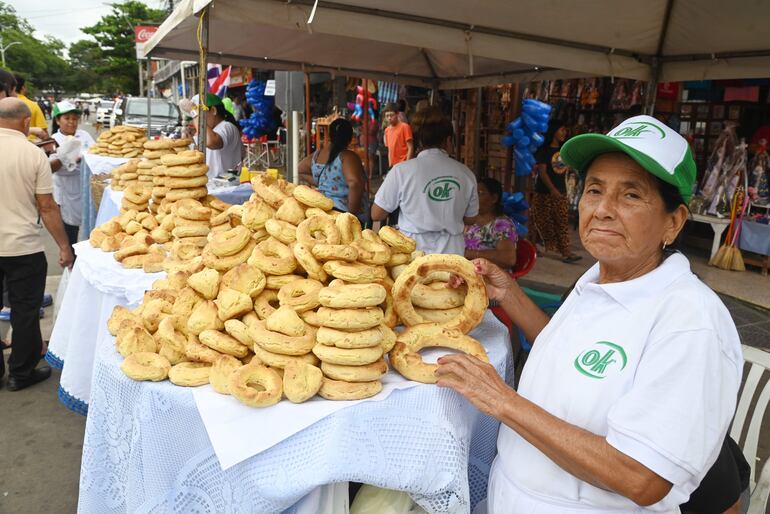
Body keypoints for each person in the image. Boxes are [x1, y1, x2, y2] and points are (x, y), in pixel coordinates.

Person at [436, 115, 743, 513]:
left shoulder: (690, 322)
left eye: (631, 195)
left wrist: (501, 401)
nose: (603, 210)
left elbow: (642, 476)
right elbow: (571, 353)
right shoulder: (598, 278)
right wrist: (508, 293)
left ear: (674, 222)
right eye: (595, 190)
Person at [0, 98, 74, 391]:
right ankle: (21, 372)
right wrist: (64, 247)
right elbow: (47, 206)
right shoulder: (33, 155)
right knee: (25, 311)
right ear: (26, 122)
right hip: (23, 248)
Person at [372, 106, 478, 255]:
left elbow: (376, 214)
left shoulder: (401, 171)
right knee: (451, 280)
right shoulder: (466, 174)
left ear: (418, 141)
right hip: (452, 253)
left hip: (413, 252)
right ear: (448, 140)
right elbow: (471, 218)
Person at [298, 118, 370, 223]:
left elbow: (300, 170)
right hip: (343, 215)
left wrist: (324, 184)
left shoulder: (317, 155)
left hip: (323, 211)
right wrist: (352, 213)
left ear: (329, 135)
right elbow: (355, 183)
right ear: (350, 138)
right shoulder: (348, 156)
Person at [531, 122, 581, 263]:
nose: (564, 133)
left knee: (561, 221)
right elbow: (542, 172)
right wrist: (552, 189)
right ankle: (534, 246)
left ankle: (566, 252)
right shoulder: (544, 150)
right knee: (541, 221)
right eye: (562, 129)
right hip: (544, 191)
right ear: (554, 131)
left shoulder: (564, 149)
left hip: (561, 191)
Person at [49, 101, 96, 247]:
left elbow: (95, 153)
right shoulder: (54, 140)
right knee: (70, 231)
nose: (71, 122)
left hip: (85, 186)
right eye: (67, 118)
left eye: (74, 119)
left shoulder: (85, 135)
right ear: (57, 120)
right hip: (66, 189)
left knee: (90, 226)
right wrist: (63, 156)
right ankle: (71, 263)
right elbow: (50, 168)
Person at [464, 177, 518, 269]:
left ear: (494, 198)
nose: (473, 198)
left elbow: (508, 259)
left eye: (480, 193)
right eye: (472, 194)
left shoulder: (502, 225)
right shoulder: (469, 220)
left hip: (489, 276)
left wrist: (468, 253)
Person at [201, 93, 242, 179]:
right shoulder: (211, 130)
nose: (199, 119)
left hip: (226, 188)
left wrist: (195, 114)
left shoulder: (226, 126)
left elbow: (211, 142)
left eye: (200, 114)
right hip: (214, 186)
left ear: (213, 110)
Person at [13, 75, 48, 141]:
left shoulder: (3, 104)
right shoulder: (33, 105)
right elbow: (44, 132)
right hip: (31, 145)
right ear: (23, 88)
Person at [383, 102, 413, 168]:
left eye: (391, 115)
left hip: (404, 163)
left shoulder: (405, 127)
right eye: (387, 116)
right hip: (393, 166)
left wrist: (407, 164)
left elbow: (410, 147)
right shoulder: (386, 130)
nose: (389, 118)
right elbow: (389, 150)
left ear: (397, 114)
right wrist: (390, 165)